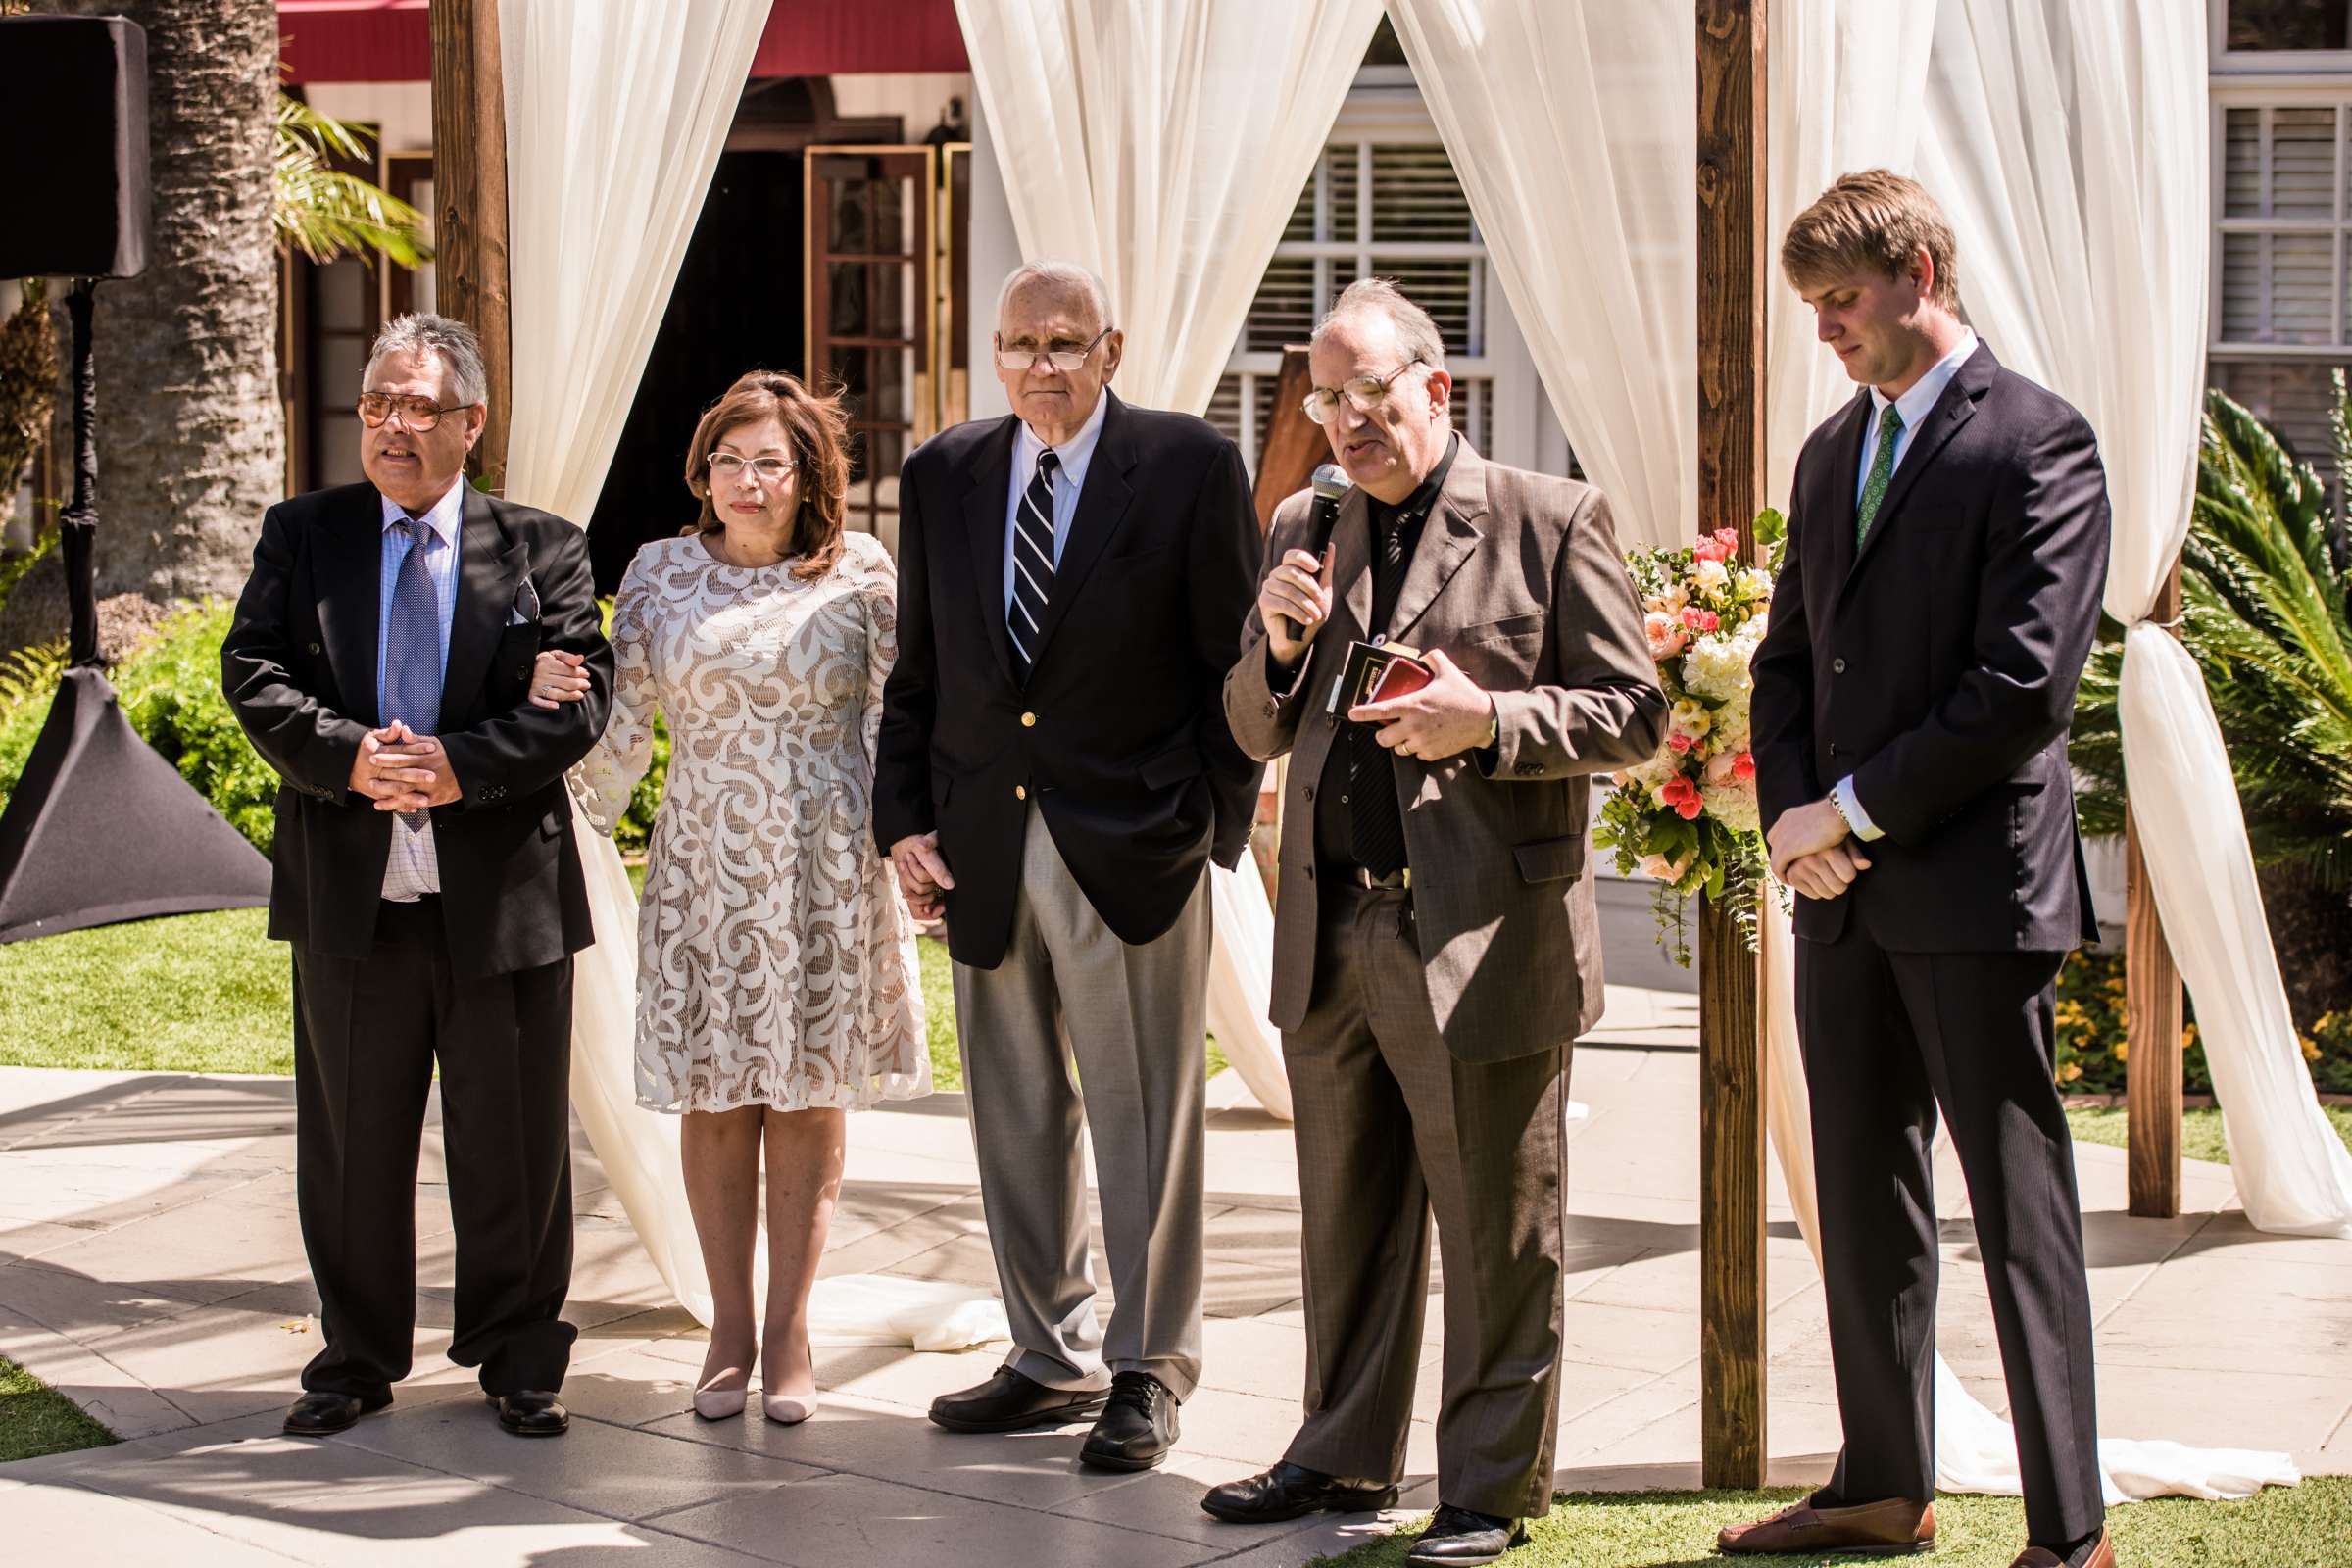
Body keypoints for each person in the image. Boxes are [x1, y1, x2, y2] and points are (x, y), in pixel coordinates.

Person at [1207, 278, 1665, 1567]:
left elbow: (1634, 716)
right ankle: (1338, 1452)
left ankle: (1487, 1491)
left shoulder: (1550, 519)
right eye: (1327, 399)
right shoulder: (1309, 520)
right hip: (1331, 924)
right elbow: (1249, 727)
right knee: (1344, 1219)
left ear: (1436, 389)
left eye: (1372, 394)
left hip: (1479, 934)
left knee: (1498, 1229)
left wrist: (1493, 721)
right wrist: (1284, 651)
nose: (1349, 421)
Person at [1729, 172, 2114, 1568]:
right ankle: (1883, 1485)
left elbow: (2023, 688)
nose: (1825, 330)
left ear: (1922, 269)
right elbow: (1783, 665)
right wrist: (1791, 819)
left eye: (1841, 300)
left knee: (2023, 1214)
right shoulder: (1830, 454)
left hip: (1973, 894)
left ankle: (2071, 1531)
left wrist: (1849, 813)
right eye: (1813, 307)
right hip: (1840, 901)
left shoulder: (2040, 442)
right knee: (1863, 1192)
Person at [871, 260, 1262, 1472]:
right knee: (1016, 1108)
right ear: (996, 355)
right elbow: (922, 672)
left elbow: (1234, 668)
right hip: (984, 839)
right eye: (1019, 343)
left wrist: (1205, 825)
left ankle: (1149, 1365)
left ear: (1113, 348)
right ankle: (1048, 1354)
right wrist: (905, 823)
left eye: (1064, 341)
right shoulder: (943, 474)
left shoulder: (1190, 464)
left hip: (1134, 842)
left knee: (1145, 1114)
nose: (1041, 364)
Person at [220, 312, 613, 1440]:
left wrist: (457, 768)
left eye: (421, 407)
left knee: (517, 1140)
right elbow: (252, 670)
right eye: (378, 405)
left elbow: (579, 694)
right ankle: (352, 1358)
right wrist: (351, 756)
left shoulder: (544, 546)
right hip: (353, 888)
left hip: (505, 897)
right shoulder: (305, 534)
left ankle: (519, 1357)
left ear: (470, 423)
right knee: (351, 1141)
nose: (395, 427)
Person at [534, 370, 926, 1425]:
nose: (746, 481)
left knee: (805, 1089)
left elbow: (900, 724)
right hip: (704, 862)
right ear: (702, 469)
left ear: (809, 477)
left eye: (770, 462)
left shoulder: (862, 571)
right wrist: (569, 817)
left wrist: (918, 845)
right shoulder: (658, 574)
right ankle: (728, 1326)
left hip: (825, 863)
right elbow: (616, 730)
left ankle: (792, 1329)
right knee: (715, 1092)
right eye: (728, 459)